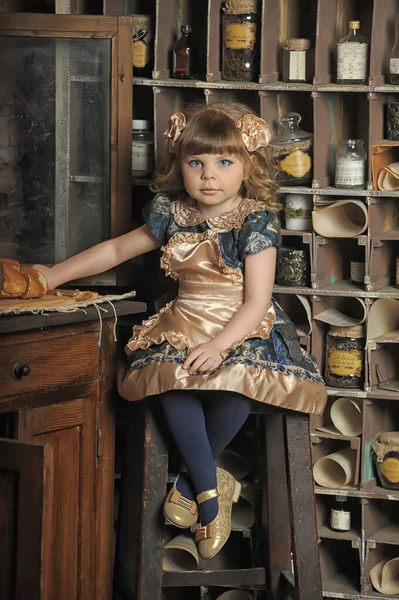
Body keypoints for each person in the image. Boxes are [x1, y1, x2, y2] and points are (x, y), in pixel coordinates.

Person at [35, 102, 327, 561]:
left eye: (224, 163)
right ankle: (212, 488)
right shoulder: (171, 212)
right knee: (169, 383)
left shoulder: (256, 219)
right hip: (184, 319)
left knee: (237, 386)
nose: (209, 176)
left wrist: (220, 345)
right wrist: (49, 277)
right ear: (181, 166)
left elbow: (256, 301)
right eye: (197, 163)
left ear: (247, 166)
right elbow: (115, 249)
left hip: (241, 324)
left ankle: (194, 483)